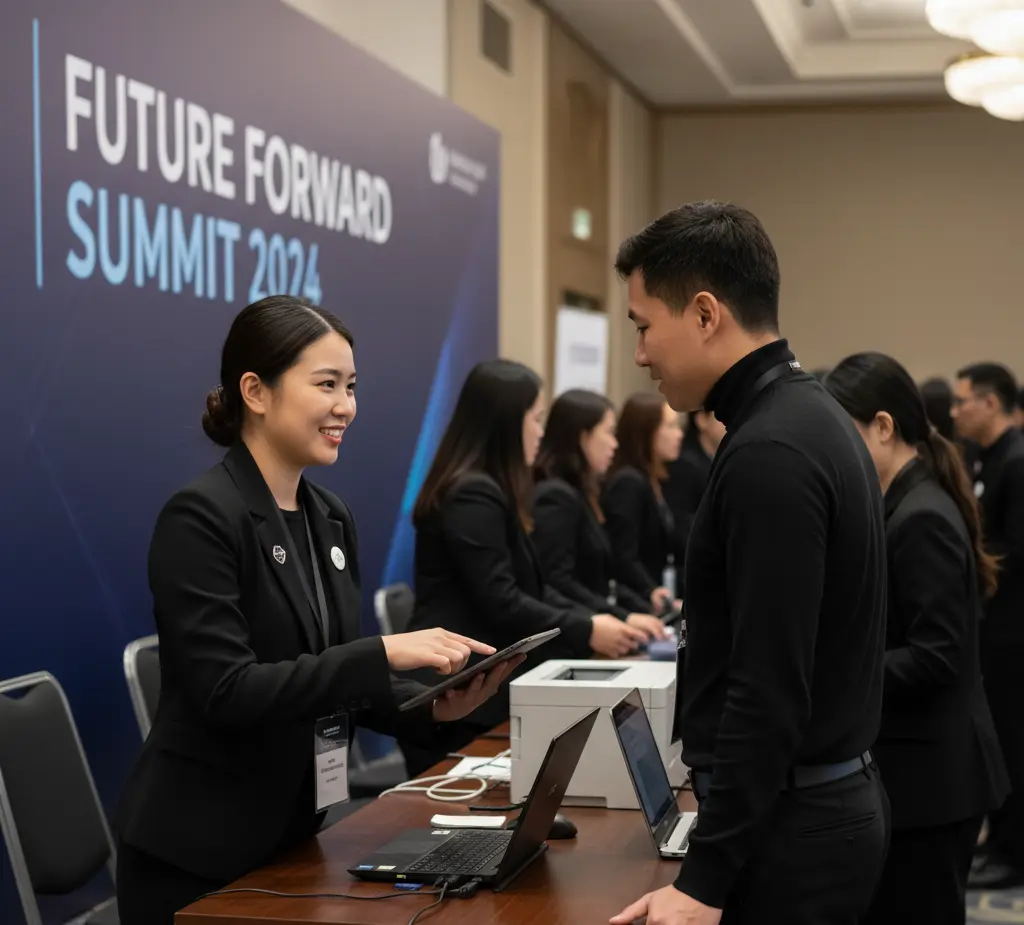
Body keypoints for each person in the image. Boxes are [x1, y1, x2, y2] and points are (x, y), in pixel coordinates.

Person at [113, 297, 514, 925]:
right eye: (326, 385)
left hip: (293, 841)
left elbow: (332, 678)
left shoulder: (329, 515)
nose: (345, 407)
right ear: (256, 391)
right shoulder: (201, 517)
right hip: (197, 856)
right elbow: (227, 690)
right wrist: (380, 652)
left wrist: (432, 707)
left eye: (351, 387)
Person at [609, 201, 888, 925]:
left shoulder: (771, 450)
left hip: (796, 826)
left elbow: (767, 687)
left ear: (705, 314)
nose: (639, 354)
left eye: (643, 326)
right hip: (813, 807)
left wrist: (704, 879)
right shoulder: (803, 417)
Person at [826, 352, 1009, 925]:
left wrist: (840, 673)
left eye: (842, 432)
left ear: (883, 427)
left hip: (935, 778)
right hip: (924, 769)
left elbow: (938, 656)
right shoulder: (904, 499)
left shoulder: (921, 514)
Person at [399, 360, 646, 776]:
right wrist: (586, 628)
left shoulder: (491, 488)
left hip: (477, 691)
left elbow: (531, 588)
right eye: (535, 419)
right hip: (457, 695)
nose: (541, 432)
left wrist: (594, 621)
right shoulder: (472, 493)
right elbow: (503, 601)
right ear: (505, 424)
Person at [951, 362, 1024, 888]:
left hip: (1013, 631)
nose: (955, 412)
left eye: (963, 402)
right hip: (995, 627)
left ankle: (1015, 853)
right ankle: (999, 841)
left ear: (991, 402)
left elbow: (1013, 552)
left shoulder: (1017, 461)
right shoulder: (988, 457)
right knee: (1000, 736)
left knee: (1015, 741)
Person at [532, 388, 668, 640]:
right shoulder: (556, 495)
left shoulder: (580, 491)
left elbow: (602, 582)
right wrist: (620, 616)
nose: (615, 443)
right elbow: (557, 581)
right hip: (569, 638)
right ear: (583, 437)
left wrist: (631, 608)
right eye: (608, 432)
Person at [602, 392, 683, 613]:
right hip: (632, 604)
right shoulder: (629, 482)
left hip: (651, 598)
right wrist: (650, 590)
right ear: (646, 432)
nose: (679, 434)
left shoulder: (654, 479)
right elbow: (623, 555)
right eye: (670, 426)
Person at [663, 410, 725, 576]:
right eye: (721, 415)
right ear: (701, 420)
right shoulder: (687, 464)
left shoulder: (716, 459)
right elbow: (684, 525)